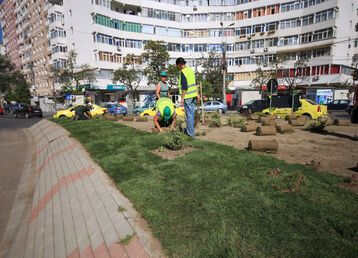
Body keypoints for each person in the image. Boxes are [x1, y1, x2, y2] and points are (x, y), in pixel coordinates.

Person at [176, 57, 199, 137]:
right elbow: (194, 83)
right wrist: (197, 94)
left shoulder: (183, 72)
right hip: (193, 96)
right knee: (191, 115)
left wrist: (182, 98)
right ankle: (191, 131)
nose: (177, 68)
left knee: (189, 115)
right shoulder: (190, 71)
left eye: (177, 66)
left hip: (188, 96)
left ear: (179, 65)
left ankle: (190, 134)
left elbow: (184, 87)